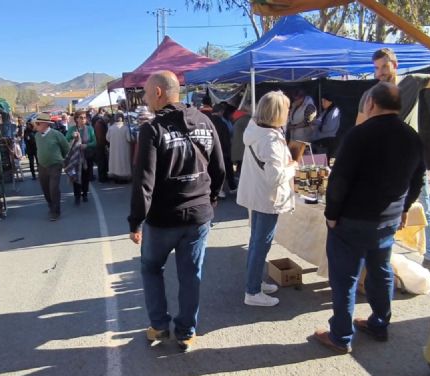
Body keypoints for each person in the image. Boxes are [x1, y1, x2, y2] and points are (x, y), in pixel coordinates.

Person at [314, 82, 425, 354]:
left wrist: (331, 215)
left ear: (371, 104)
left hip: (353, 220)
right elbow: (418, 179)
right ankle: (379, 323)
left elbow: (339, 180)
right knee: (381, 271)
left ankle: (340, 336)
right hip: (386, 221)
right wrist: (404, 208)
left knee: (345, 278)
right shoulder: (411, 136)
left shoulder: (359, 134)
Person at [128, 70, 225, 353]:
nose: (145, 99)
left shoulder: (152, 129)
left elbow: (143, 181)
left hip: (163, 219)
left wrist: (135, 221)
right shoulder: (205, 122)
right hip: (198, 215)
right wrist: (211, 201)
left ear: (158, 92)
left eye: (146, 93)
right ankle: (186, 332)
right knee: (190, 274)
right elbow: (219, 168)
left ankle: (159, 325)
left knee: (151, 268)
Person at [357, 48, 430, 271]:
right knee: (385, 212)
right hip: (383, 164)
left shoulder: (412, 82)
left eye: (384, 67)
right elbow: (358, 129)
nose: (380, 73)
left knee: (421, 205)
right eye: (376, 68)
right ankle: (383, 260)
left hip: (410, 161)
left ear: (395, 65)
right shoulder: (369, 95)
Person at [236, 90, 297, 307]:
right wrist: (293, 167)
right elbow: (275, 178)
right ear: (278, 112)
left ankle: (254, 284)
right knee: (261, 244)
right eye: (287, 108)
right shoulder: (270, 139)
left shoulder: (255, 128)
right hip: (267, 198)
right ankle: (252, 291)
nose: (289, 112)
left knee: (256, 242)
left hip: (258, 194)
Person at [34, 114, 70, 221]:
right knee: (45, 189)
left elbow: (66, 147)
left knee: (53, 188)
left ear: (45, 124)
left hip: (55, 165)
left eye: (38, 123)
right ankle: (51, 205)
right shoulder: (37, 136)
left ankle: (56, 211)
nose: (36, 125)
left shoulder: (56, 134)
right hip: (42, 166)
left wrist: (61, 159)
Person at [65, 110, 97, 204]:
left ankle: (85, 194)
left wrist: (87, 145)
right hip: (76, 157)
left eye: (84, 117)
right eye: (81, 118)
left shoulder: (90, 128)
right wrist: (72, 136)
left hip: (87, 156)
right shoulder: (72, 129)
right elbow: (66, 140)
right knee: (75, 176)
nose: (83, 119)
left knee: (86, 177)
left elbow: (95, 142)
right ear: (76, 119)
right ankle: (77, 196)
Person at [106, 113, 132, 183]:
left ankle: (116, 178)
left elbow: (107, 138)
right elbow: (129, 139)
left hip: (114, 149)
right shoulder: (126, 128)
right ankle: (124, 179)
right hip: (124, 149)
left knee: (115, 163)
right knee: (123, 163)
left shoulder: (111, 128)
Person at [230, 103, 251, 187]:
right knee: (243, 171)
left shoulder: (238, 118)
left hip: (237, 148)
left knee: (240, 170)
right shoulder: (247, 120)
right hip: (243, 149)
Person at [93, 116, 109, 182]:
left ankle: (103, 177)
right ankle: (102, 178)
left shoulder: (99, 123)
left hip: (100, 145)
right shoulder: (100, 125)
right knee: (102, 162)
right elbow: (100, 137)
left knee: (102, 162)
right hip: (100, 145)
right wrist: (105, 144)